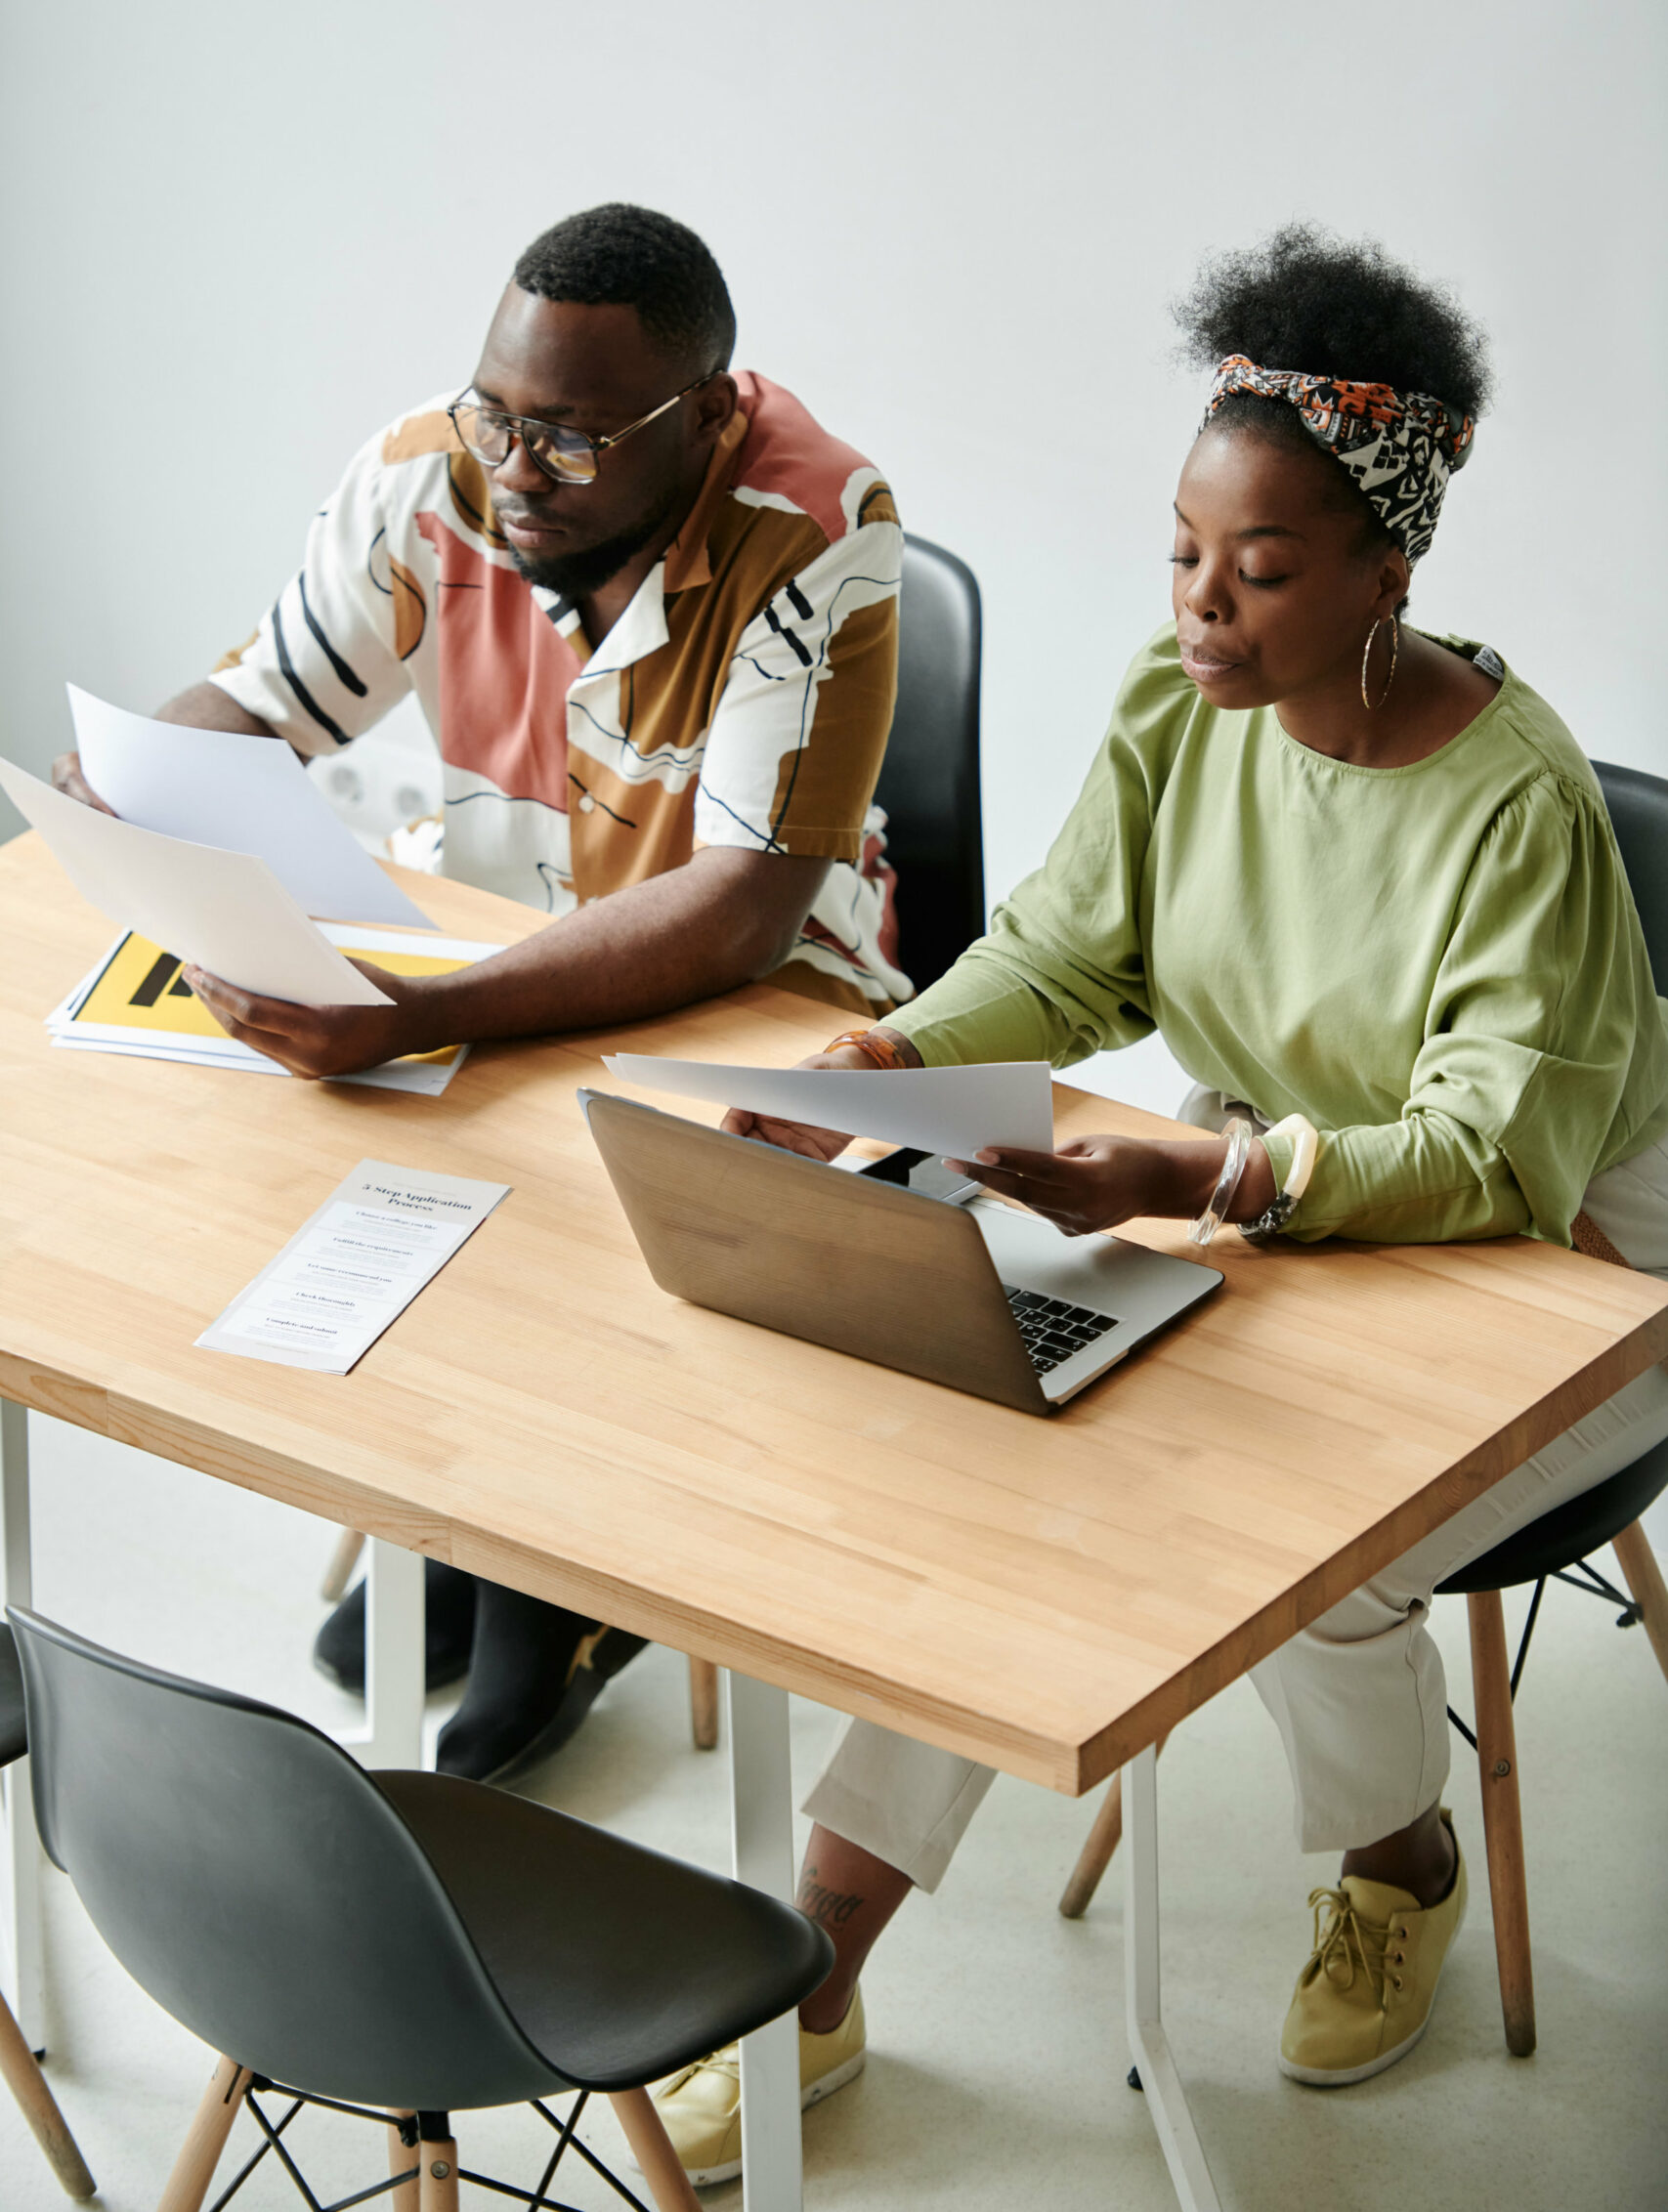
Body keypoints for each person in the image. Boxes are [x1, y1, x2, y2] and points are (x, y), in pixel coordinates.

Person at [646, 224, 1668, 2182]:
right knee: (1014, 1441)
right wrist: (906, 1052)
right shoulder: (1172, 700)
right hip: (1279, 1175)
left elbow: (1489, 1156)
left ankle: (1396, 1849)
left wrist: (1199, 1165)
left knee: (1309, 1533)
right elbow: (1066, 947)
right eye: (1184, 555)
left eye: (1262, 571)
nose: (1203, 606)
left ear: (1386, 569)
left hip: (1572, 1250)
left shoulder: (1512, 802)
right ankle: (816, 1963)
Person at [54, 200, 910, 1782]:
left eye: (574, 443)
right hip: (504, 937)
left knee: (595, 1175)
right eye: (499, 415)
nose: (516, 470)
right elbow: (268, 699)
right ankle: (466, 1525)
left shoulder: (818, 526)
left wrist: (414, 1012)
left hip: (755, 1000)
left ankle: (563, 1586)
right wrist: (139, 783)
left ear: (709, 418)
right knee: (333, 1153)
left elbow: (737, 910)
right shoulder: (433, 469)